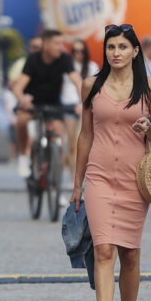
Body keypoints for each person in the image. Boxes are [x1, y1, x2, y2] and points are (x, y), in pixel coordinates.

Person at [70, 23, 151, 301]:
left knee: (131, 254)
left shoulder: (149, 87)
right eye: (111, 47)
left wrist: (148, 127)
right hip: (98, 177)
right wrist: (76, 183)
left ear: (135, 51)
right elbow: (85, 135)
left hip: (134, 179)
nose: (116, 53)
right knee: (103, 248)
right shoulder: (90, 86)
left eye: (123, 47)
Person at [12, 29, 82, 177]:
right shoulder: (33, 59)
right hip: (34, 103)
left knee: (57, 134)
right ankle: (24, 156)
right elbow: (18, 88)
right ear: (45, 45)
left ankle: (53, 180)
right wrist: (22, 100)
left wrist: (82, 101)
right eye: (57, 43)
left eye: (62, 43)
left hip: (54, 104)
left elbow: (77, 81)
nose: (61, 47)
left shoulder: (64, 58)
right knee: (21, 121)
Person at [60, 38, 100, 192]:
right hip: (69, 106)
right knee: (71, 145)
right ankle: (73, 178)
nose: (78, 54)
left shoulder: (91, 66)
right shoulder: (67, 66)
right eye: (75, 51)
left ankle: (84, 177)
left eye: (81, 51)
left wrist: (84, 104)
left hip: (85, 107)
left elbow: (94, 87)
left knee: (84, 144)